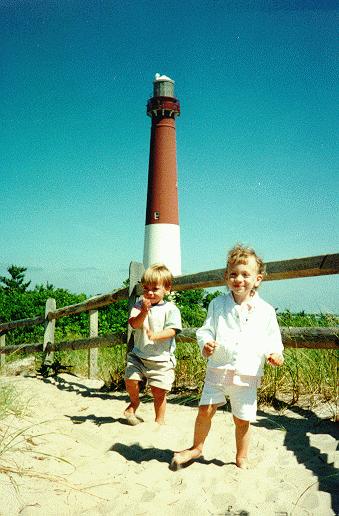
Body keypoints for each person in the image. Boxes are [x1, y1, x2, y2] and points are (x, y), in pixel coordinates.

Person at [171, 244, 284, 469]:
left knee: (242, 419)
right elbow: (205, 331)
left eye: (245, 274)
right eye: (233, 274)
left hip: (247, 373)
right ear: (226, 277)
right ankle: (196, 447)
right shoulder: (217, 304)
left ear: (258, 279)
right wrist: (206, 344)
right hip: (218, 370)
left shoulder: (266, 311)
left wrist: (275, 354)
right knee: (205, 411)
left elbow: (273, 340)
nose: (238, 279)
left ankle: (241, 456)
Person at [124, 263, 182, 426]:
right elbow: (134, 324)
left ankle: (159, 421)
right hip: (139, 355)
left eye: (155, 289)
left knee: (159, 392)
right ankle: (134, 403)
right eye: (146, 288)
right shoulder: (138, 305)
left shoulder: (171, 309)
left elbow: (173, 330)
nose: (149, 293)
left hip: (161, 359)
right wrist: (143, 311)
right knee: (131, 380)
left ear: (167, 288)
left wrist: (156, 335)